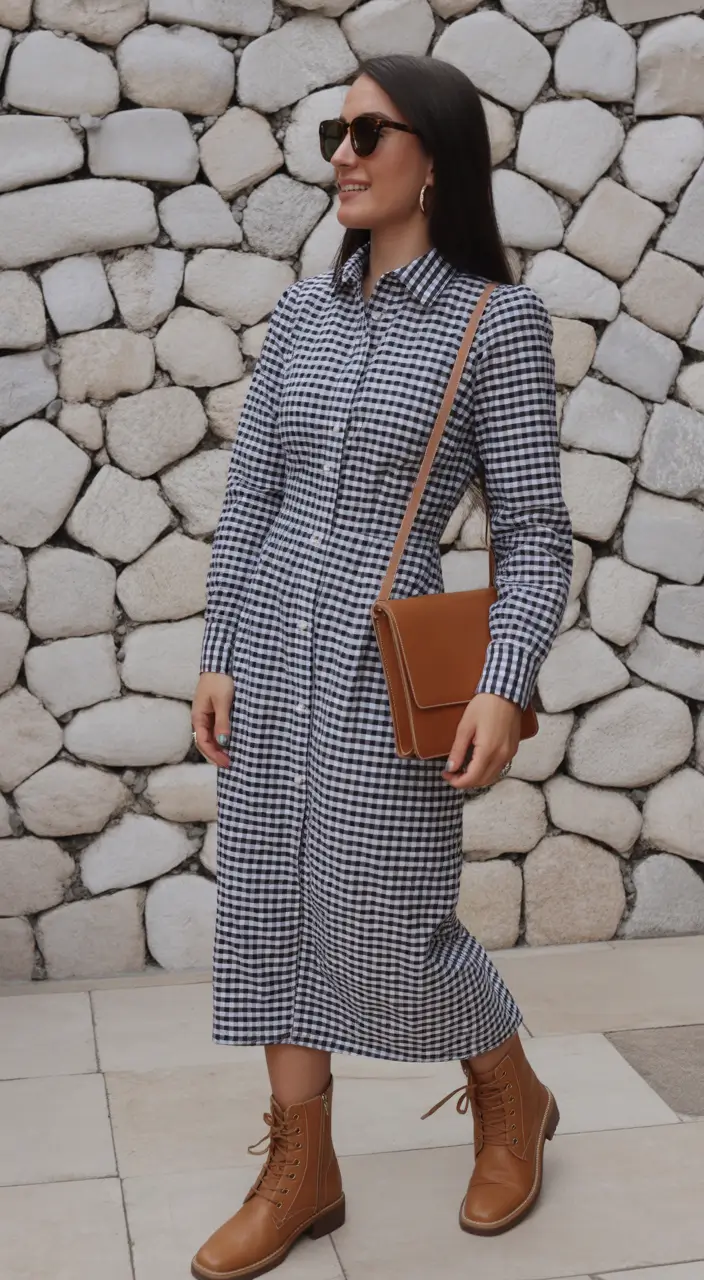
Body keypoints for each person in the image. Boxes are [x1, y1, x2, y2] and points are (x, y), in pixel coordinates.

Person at [190, 52, 573, 1280]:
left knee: (391, 919)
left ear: (433, 158)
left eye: (368, 132)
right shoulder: (302, 313)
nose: (342, 155)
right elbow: (251, 497)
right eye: (333, 134)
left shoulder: (492, 321)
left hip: (381, 663)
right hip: (271, 651)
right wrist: (218, 650)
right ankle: (302, 1165)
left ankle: (509, 1091)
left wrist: (504, 679)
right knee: (267, 906)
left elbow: (535, 532)